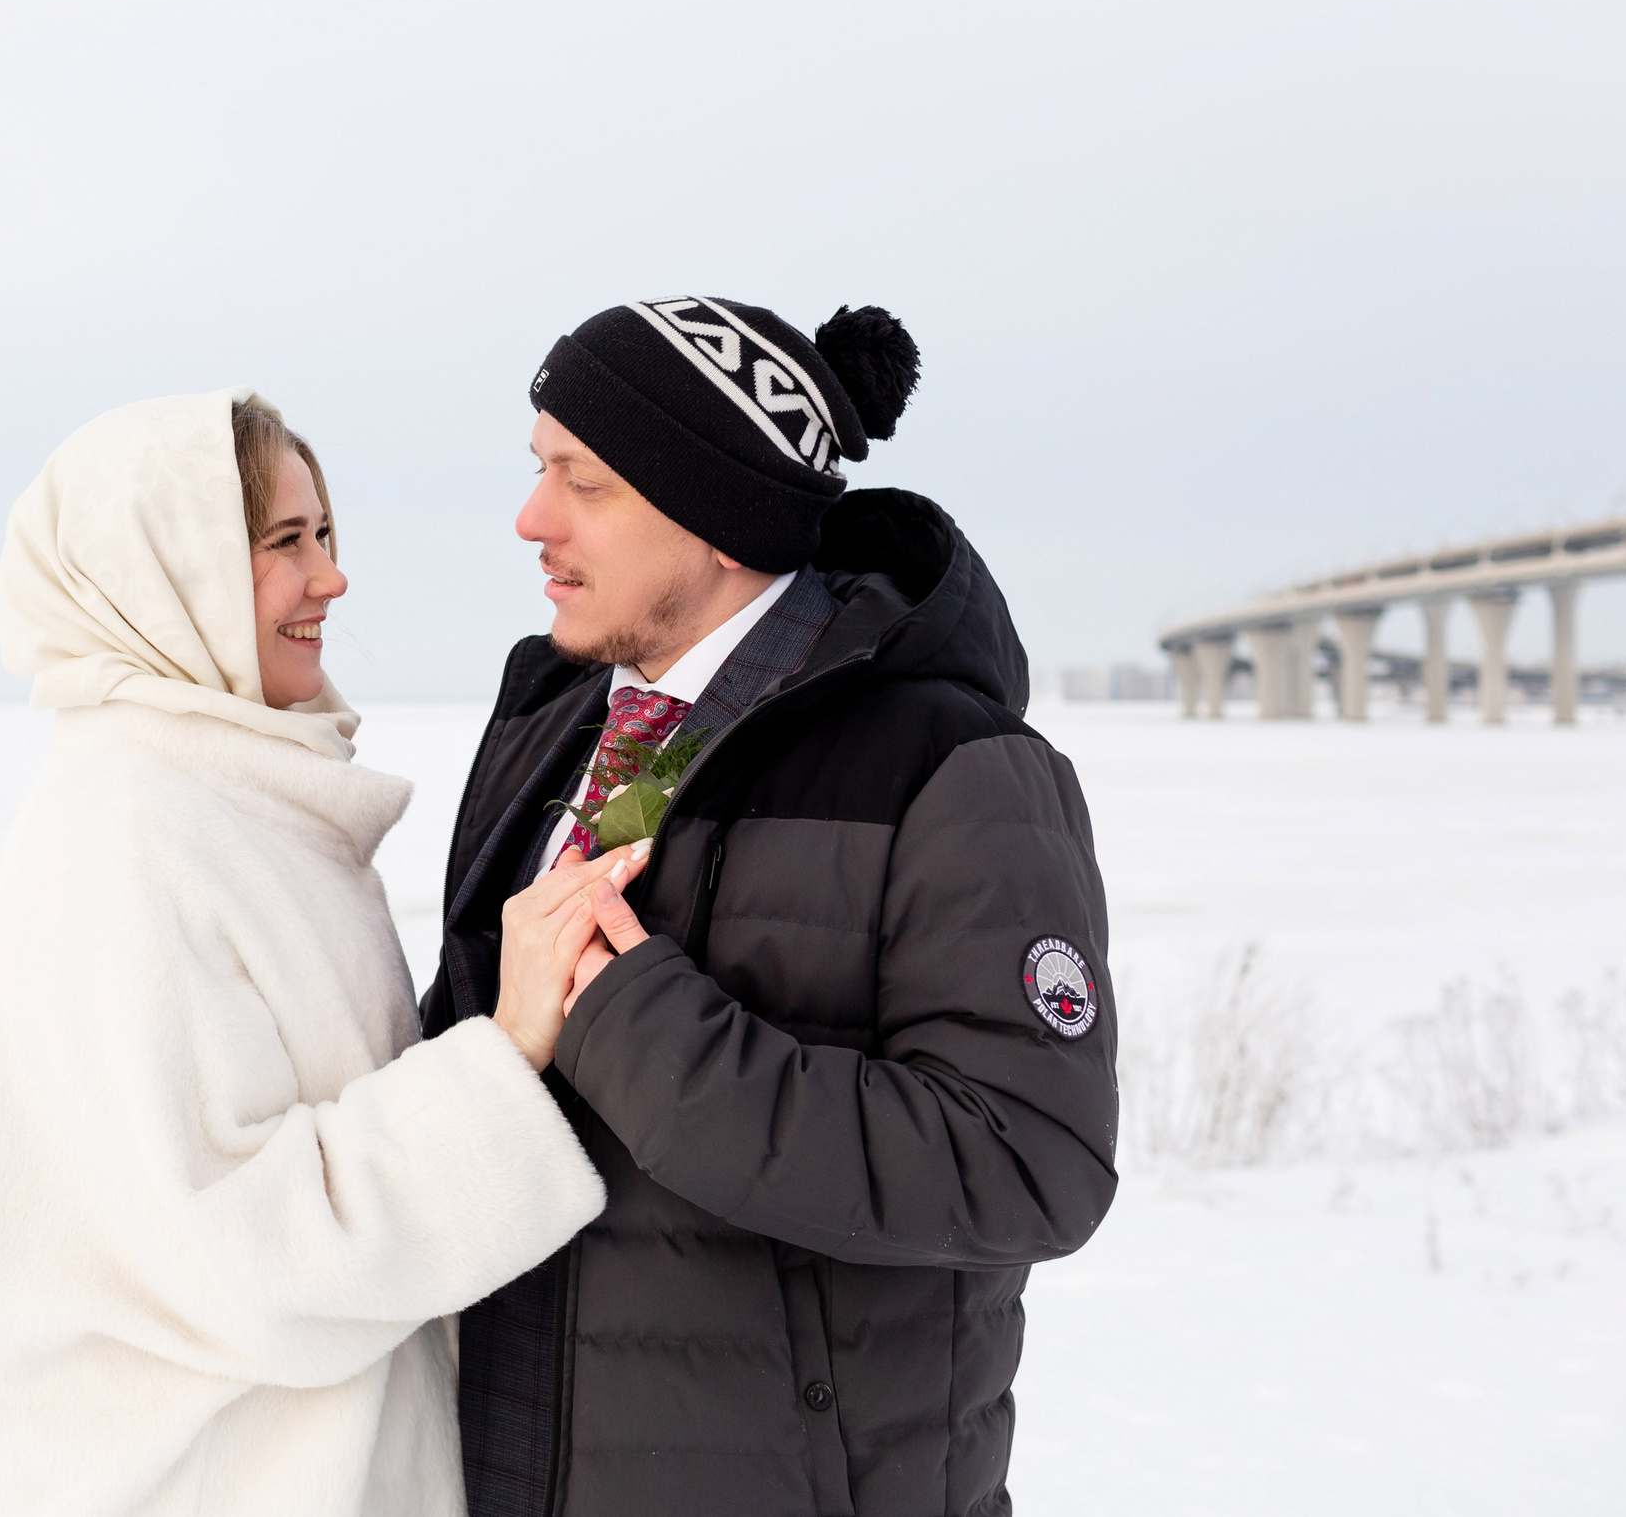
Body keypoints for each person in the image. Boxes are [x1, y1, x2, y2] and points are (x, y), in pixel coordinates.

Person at [421, 297, 1119, 1517]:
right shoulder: (557, 729)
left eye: (580, 483)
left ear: (715, 514)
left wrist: (641, 1029)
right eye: (538, 472)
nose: (531, 521)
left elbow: (1030, 1165)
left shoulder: (953, 768)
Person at [0, 390, 637, 1517]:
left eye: (326, 534)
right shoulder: (126, 840)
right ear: (170, 572)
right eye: (280, 544)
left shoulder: (239, 799)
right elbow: (238, 1252)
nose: (331, 579)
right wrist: (505, 1052)